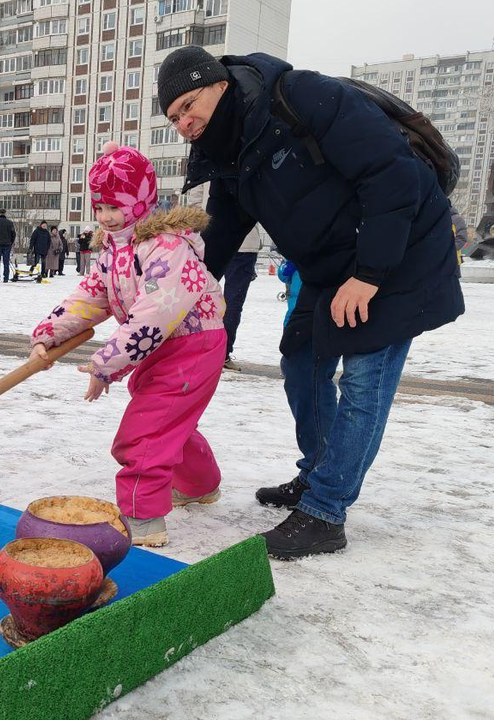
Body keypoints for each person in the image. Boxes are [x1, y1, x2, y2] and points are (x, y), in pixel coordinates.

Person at [159, 47, 465, 558]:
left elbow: (393, 175)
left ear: (220, 85)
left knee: (365, 379)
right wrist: (183, 294)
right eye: (174, 118)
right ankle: (319, 471)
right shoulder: (225, 149)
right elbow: (222, 231)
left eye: (190, 105)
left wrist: (370, 274)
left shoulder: (302, 97)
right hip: (327, 265)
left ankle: (326, 511)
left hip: (399, 250)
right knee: (301, 360)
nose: (184, 123)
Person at [29, 142, 227, 547]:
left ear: (141, 201)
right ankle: (199, 485)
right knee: (169, 421)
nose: (104, 216)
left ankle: (143, 520)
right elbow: (90, 296)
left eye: (114, 207)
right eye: (99, 207)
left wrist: (106, 364)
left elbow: (155, 313)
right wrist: (48, 334)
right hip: (162, 347)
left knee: (144, 433)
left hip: (193, 345)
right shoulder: (115, 250)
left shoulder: (169, 248)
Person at [221, 227, 261, 371]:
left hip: (212, 239)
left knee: (198, 294)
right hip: (244, 244)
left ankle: (194, 347)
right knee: (233, 301)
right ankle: (222, 353)